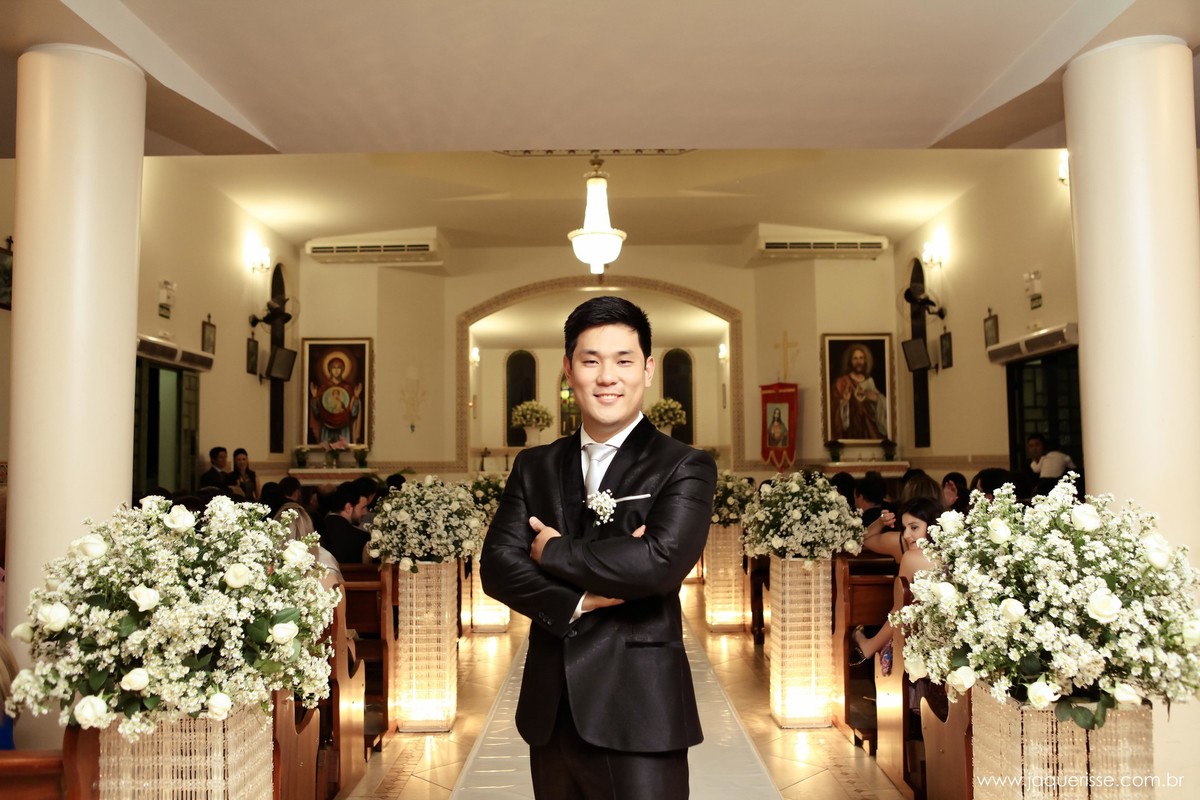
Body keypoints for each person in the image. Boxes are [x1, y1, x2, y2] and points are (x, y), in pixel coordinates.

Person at [480, 296, 717, 800]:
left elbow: (658, 563)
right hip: (553, 707)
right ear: (568, 370)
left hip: (641, 707)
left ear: (648, 370)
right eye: (590, 361)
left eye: (623, 360)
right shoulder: (535, 465)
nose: (607, 376)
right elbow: (498, 567)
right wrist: (581, 597)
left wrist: (553, 552)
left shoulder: (684, 465)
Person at [832, 343, 888, 440]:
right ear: (850, 361)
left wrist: (876, 398)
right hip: (852, 430)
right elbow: (834, 409)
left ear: (865, 360)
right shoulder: (843, 382)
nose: (859, 362)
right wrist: (845, 401)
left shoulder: (869, 381)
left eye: (861, 358)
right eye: (855, 358)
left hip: (870, 430)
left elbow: (883, 405)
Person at [309, 354, 364, 444]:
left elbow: (353, 413)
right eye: (333, 368)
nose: (336, 370)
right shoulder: (323, 389)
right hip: (326, 426)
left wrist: (356, 398)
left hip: (344, 426)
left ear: (342, 370)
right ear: (329, 370)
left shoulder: (347, 388)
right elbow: (317, 413)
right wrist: (314, 398)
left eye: (339, 368)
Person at [319, 481, 372, 564]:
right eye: (363, 508)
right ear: (348, 507)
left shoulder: (318, 528)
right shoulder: (361, 538)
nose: (365, 512)